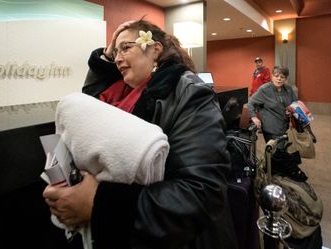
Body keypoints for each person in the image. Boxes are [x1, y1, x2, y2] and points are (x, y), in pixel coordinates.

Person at [42, 20, 235, 248]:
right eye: (115, 52)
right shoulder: (119, 92)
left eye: (125, 48)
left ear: (155, 50)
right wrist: (105, 54)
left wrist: (98, 203)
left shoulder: (188, 93)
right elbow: (90, 102)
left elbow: (201, 192)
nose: (117, 58)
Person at [247, 66, 297, 142]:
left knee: (285, 149)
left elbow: (295, 103)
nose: (279, 79)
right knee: (275, 151)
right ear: (272, 76)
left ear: (286, 79)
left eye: (282, 77)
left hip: (285, 126)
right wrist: (254, 117)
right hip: (271, 129)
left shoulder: (288, 89)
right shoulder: (264, 89)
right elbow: (250, 102)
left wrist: (291, 110)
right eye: (276, 76)